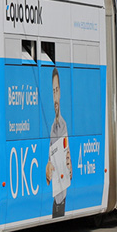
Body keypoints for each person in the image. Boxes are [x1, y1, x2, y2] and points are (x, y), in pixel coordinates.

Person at [45, 67, 70, 218]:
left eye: (56, 90)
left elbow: (68, 163)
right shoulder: (52, 129)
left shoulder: (63, 126)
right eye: (52, 91)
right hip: (56, 199)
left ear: (60, 93)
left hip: (62, 198)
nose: (55, 96)